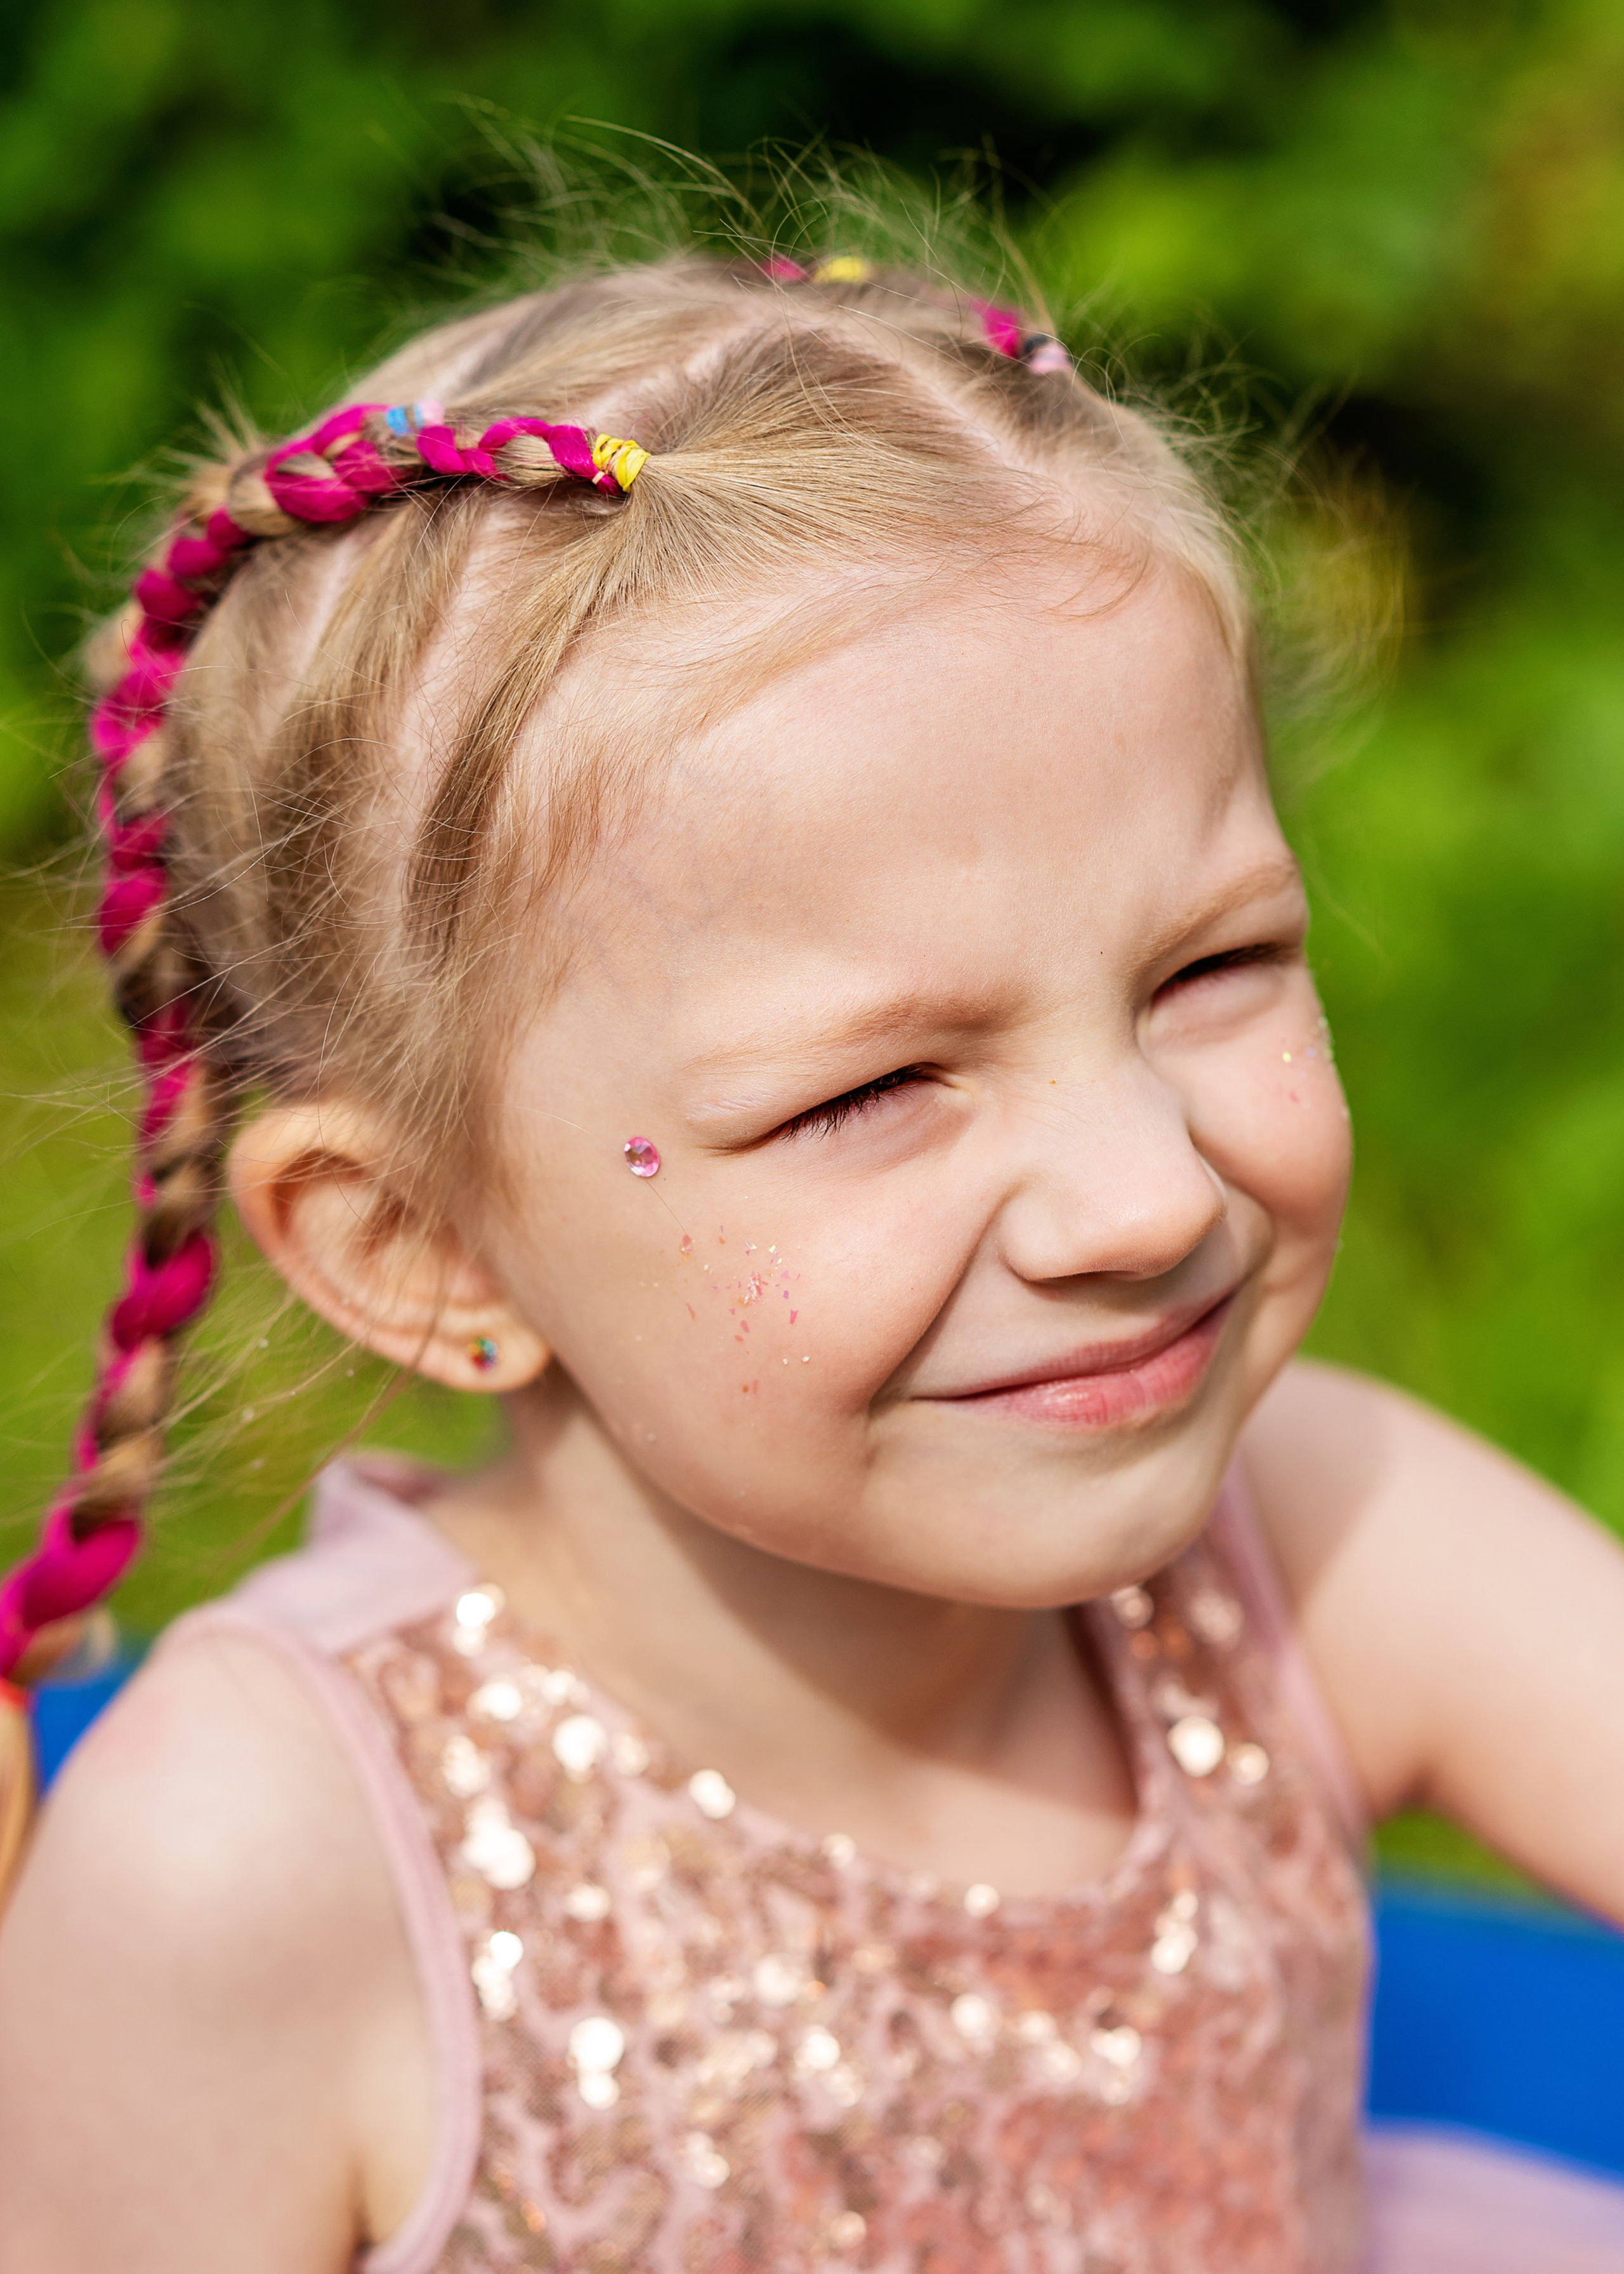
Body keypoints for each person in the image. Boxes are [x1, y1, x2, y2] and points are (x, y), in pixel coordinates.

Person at [0, 228, 1621, 2274]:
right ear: (422, 1247)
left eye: (1211, 964)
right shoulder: (263, 1853)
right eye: (871, 1092)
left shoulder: (1312, 1534)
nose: (1147, 1197)